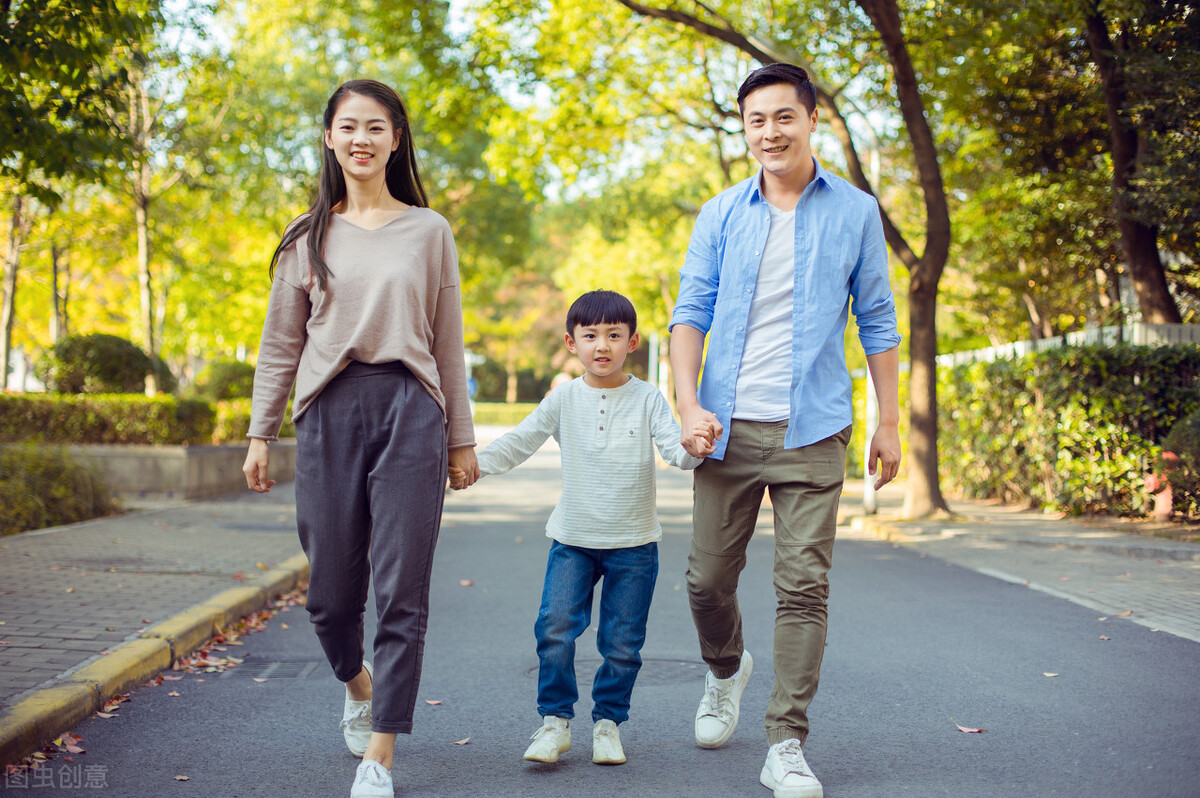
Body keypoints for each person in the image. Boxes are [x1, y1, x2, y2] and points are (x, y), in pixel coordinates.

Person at [669, 63, 902, 798]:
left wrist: (889, 421)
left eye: (783, 117)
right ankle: (725, 669)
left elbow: (878, 320)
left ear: (811, 120)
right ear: (745, 129)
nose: (769, 132)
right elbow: (690, 313)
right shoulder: (721, 213)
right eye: (756, 120)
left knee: (803, 588)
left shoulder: (856, 212)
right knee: (707, 581)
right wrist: (688, 406)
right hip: (726, 431)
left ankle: (786, 742)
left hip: (814, 429)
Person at [241, 79, 479, 798]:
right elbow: (280, 345)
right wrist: (260, 431)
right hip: (328, 413)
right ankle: (356, 682)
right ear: (329, 138)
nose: (362, 139)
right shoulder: (305, 236)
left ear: (396, 139)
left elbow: (447, 342)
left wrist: (461, 439)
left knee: (401, 590)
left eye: (376, 127)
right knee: (330, 598)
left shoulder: (429, 231)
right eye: (348, 126)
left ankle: (381, 752)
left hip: (412, 409)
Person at [449, 290, 713, 767]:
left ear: (632, 341)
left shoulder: (648, 398)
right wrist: (476, 466)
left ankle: (608, 725)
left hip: (634, 545)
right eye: (590, 336)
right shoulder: (564, 398)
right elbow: (520, 441)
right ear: (572, 343)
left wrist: (695, 446)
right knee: (554, 630)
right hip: (572, 540)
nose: (602, 345)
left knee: (622, 644)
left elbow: (676, 452)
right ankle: (555, 723)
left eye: (614, 335)